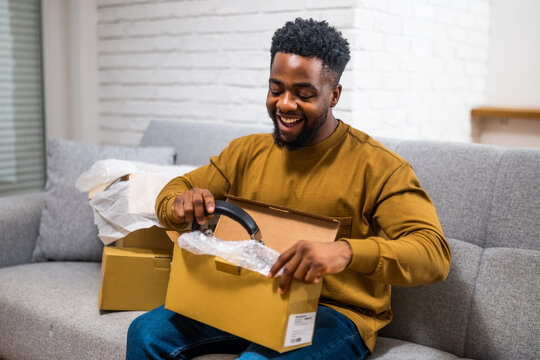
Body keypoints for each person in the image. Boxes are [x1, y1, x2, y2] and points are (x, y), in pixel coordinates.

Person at [127, 18, 451, 360]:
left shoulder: (380, 167)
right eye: (276, 88)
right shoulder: (246, 152)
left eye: (303, 94)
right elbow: (177, 189)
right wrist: (181, 203)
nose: (284, 104)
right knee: (146, 333)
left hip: (331, 315)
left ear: (334, 94)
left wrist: (345, 252)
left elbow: (433, 254)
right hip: (244, 294)